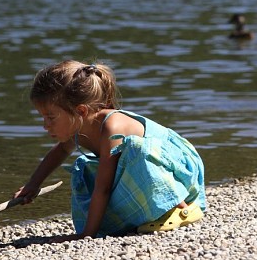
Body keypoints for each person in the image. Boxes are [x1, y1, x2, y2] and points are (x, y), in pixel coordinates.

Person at [14, 60, 207, 241]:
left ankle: (182, 209)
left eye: (51, 117)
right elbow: (59, 153)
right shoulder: (79, 126)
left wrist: (87, 234)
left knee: (136, 149)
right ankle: (136, 216)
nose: (45, 126)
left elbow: (104, 187)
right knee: (84, 167)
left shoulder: (111, 127)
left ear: (80, 111)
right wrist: (33, 184)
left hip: (178, 170)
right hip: (149, 173)